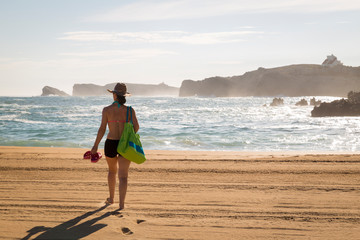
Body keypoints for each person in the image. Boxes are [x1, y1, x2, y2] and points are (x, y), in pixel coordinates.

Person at [91, 83, 139, 210]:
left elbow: (102, 129)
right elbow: (137, 127)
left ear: (114, 95)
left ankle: (111, 199)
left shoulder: (106, 110)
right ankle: (121, 205)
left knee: (112, 171)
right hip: (125, 144)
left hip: (110, 143)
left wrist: (95, 146)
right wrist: (127, 132)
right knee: (123, 176)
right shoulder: (129, 110)